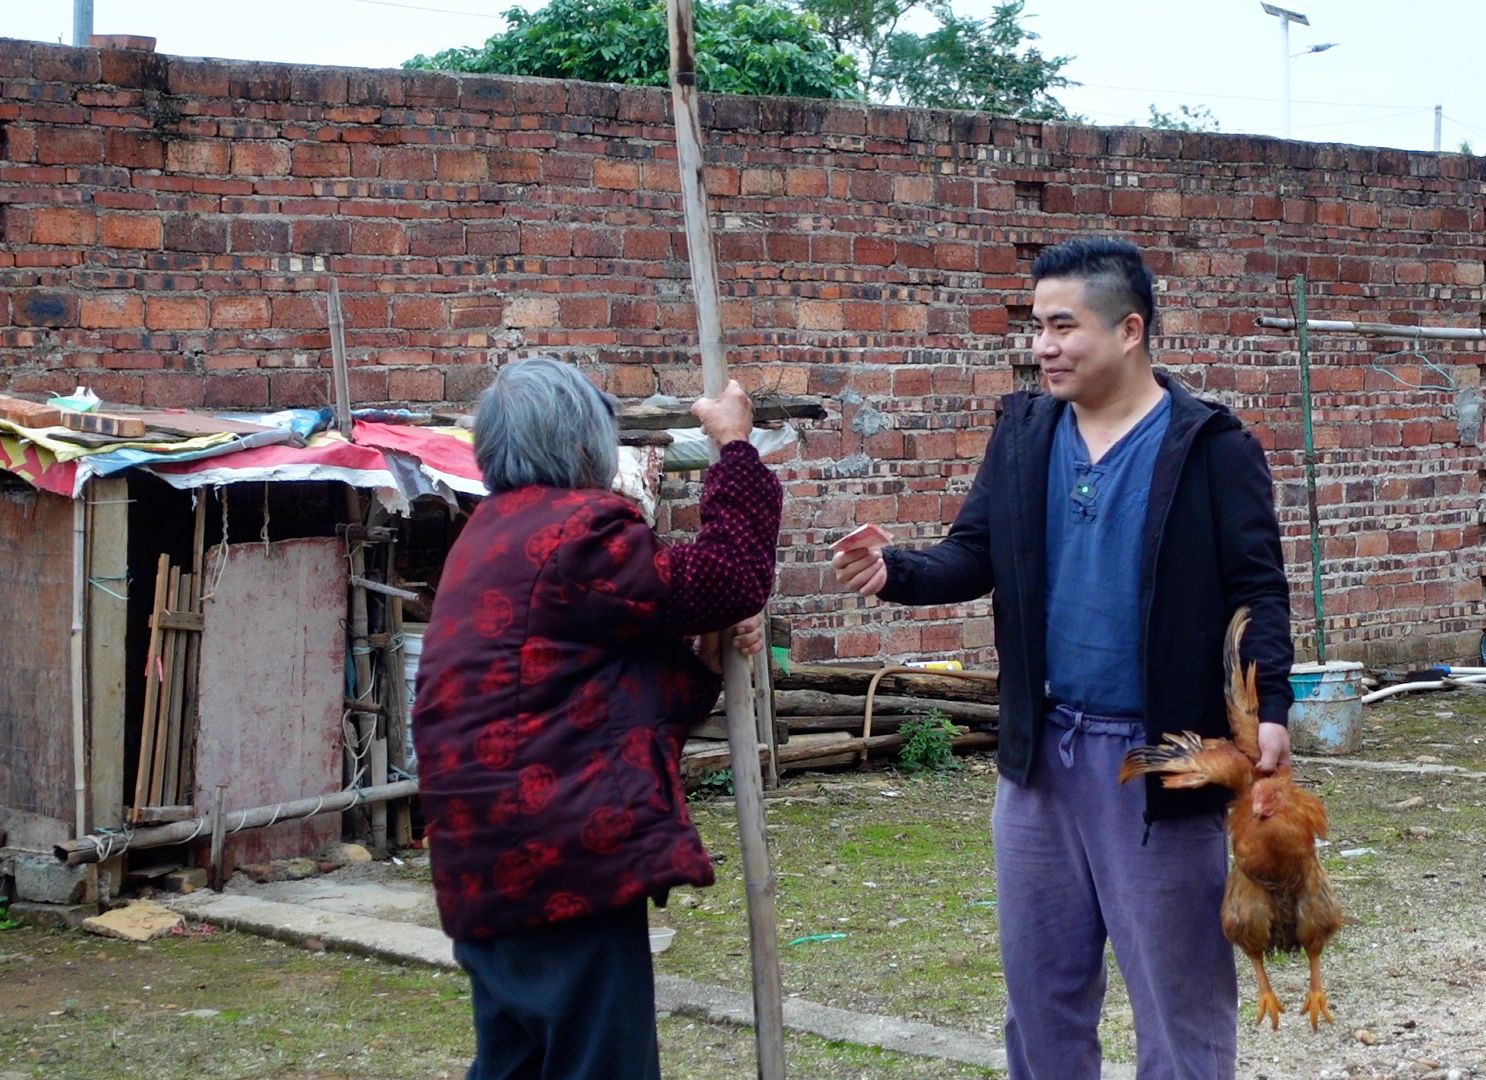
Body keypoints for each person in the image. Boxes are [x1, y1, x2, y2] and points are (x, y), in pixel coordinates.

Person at [833, 237, 1295, 1079]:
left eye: (1061, 326)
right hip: (1041, 754)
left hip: (1163, 763)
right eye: (1035, 326)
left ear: (1129, 330)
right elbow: (976, 551)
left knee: (1178, 999)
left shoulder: (1210, 448)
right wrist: (893, 569)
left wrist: (1273, 711)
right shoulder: (1025, 433)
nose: (1042, 345)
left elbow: (1259, 590)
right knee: (1041, 996)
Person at [412, 356, 782, 1080]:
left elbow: (587, 704)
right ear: (584, 442)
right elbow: (729, 576)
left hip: (485, 866)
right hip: (560, 862)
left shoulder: (487, 539)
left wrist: (703, 660)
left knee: (518, 1064)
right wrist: (736, 449)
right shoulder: (575, 532)